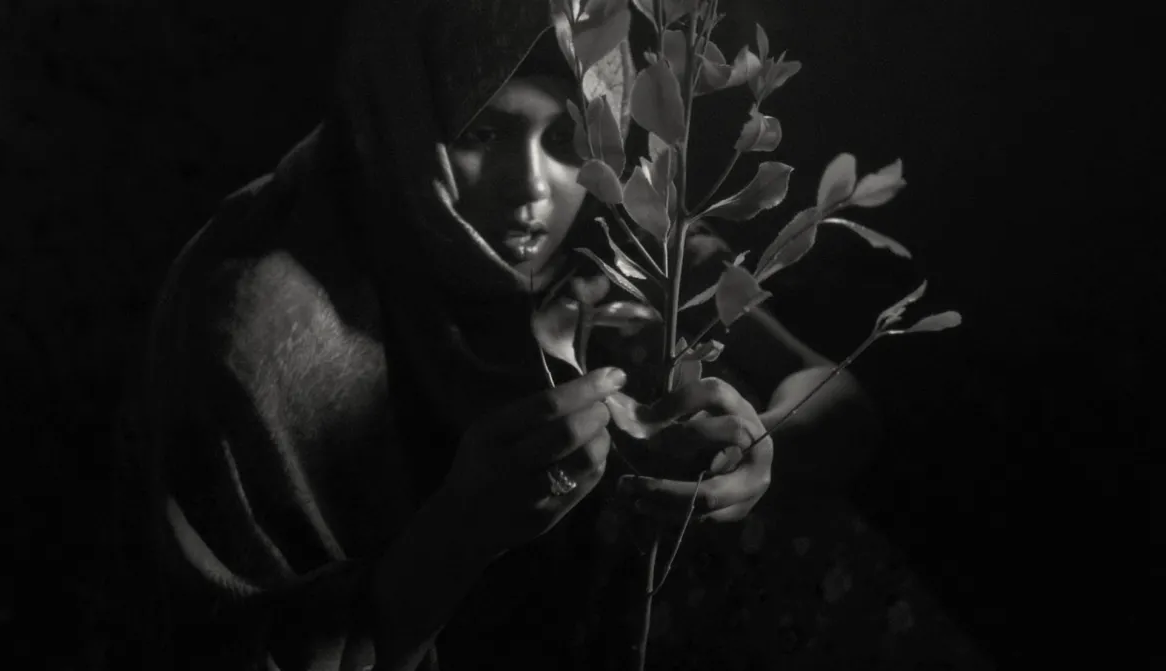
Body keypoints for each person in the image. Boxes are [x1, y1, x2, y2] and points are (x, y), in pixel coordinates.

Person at [142, 3, 983, 670]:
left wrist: (757, 445)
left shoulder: (610, 228)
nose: (532, 190)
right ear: (399, 117)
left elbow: (842, 405)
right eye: (480, 132)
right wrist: (460, 531)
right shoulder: (263, 332)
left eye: (564, 139)